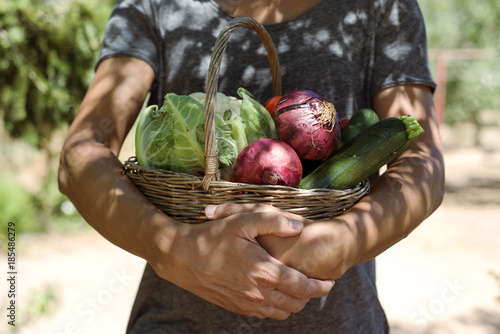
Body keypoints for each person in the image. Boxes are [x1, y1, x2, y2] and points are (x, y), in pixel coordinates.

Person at [58, 0, 445, 332]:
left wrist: (343, 243)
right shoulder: (154, 6)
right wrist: (171, 249)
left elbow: (423, 161)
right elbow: (79, 155)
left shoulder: (381, 7)